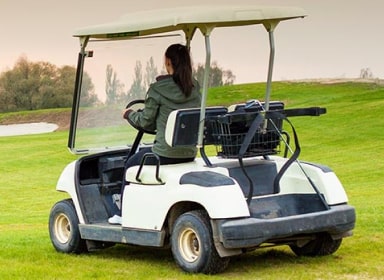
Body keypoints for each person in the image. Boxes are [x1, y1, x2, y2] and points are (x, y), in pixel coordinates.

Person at [108, 43, 202, 224]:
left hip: (165, 154)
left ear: (168, 62)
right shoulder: (195, 87)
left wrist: (129, 114)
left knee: (130, 164)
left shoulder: (157, 90)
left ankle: (123, 213)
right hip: (188, 153)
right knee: (142, 158)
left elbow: (145, 122)